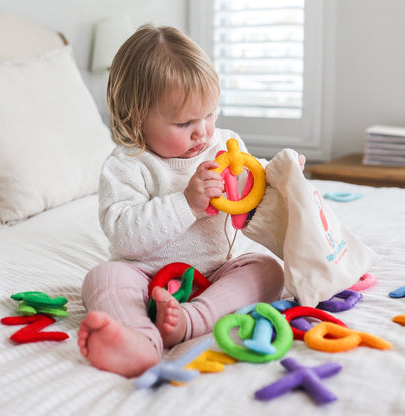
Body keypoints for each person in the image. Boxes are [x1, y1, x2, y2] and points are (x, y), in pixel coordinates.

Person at [77, 24, 305, 378]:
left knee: (267, 268)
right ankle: (140, 340)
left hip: (216, 270)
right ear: (136, 118)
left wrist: (279, 177)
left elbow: (251, 186)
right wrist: (187, 204)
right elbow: (122, 234)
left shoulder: (224, 144)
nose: (204, 131)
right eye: (185, 122)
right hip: (145, 274)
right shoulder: (127, 165)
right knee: (102, 278)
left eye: (210, 114)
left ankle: (189, 320)